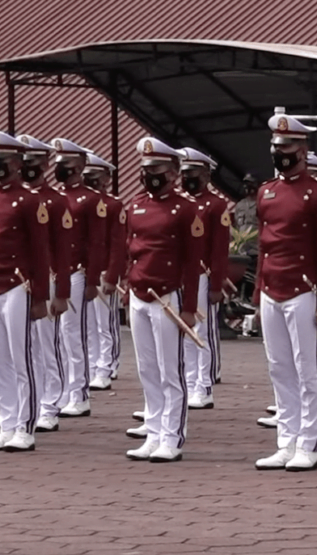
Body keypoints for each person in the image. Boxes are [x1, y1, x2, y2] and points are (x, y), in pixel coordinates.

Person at [253, 114, 317, 471]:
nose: (281, 153)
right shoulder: (267, 191)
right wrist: (259, 292)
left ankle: (308, 443)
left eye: (288, 147)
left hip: (303, 288)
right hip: (272, 287)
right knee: (279, 368)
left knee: (309, 371)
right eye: (276, 147)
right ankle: (285, 440)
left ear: (303, 150)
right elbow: (264, 247)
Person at [122, 136, 202, 462]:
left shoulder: (185, 209)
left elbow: (193, 261)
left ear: (172, 172)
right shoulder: (137, 205)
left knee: (171, 371)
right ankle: (153, 432)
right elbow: (131, 251)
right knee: (147, 369)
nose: (149, 173)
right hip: (139, 293)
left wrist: (191, 306)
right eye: (145, 168)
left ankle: (172, 436)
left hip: (167, 294)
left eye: (156, 167)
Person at [0, 130, 51, 452]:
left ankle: (25, 426)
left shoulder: (30, 200)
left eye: (2, 161)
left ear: (18, 164)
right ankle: (6, 423)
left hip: (18, 284)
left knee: (21, 357)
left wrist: (41, 296)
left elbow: (41, 251)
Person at [17, 134, 72, 434]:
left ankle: (51, 405)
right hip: (17, 282)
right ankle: (29, 404)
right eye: (25, 161)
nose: (28, 166)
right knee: (23, 348)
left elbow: (62, 250)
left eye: (34, 161)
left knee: (47, 345)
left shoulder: (55, 200)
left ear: (46, 163)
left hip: (46, 279)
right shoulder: (14, 197)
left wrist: (62, 291)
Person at [51, 138, 107, 418]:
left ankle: (79, 394)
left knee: (73, 335)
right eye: (59, 163)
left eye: (67, 164)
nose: (61, 168)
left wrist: (93, 279)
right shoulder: (55, 196)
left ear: (81, 166)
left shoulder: (91, 199)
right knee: (55, 337)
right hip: (55, 272)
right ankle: (60, 391)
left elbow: (96, 243)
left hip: (76, 272)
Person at [180, 147, 230, 409]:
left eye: (193, 172)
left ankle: (205, 385)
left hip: (203, 274)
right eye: (184, 172)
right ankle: (188, 383)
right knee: (184, 330)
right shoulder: (179, 202)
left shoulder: (215, 204)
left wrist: (217, 283)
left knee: (203, 330)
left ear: (206, 173)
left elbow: (220, 249)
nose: (187, 177)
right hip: (180, 275)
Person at [83, 152, 126, 391]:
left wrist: (112, 275)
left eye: (95, 177)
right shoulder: (78, 202)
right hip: (82, 271)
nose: (90, 181)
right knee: (86, 323)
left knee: (104, 323)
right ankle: (91, 365)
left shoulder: (112, 204)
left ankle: (106, 366)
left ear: (106, 179)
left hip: (102, 270)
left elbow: (117, 243)